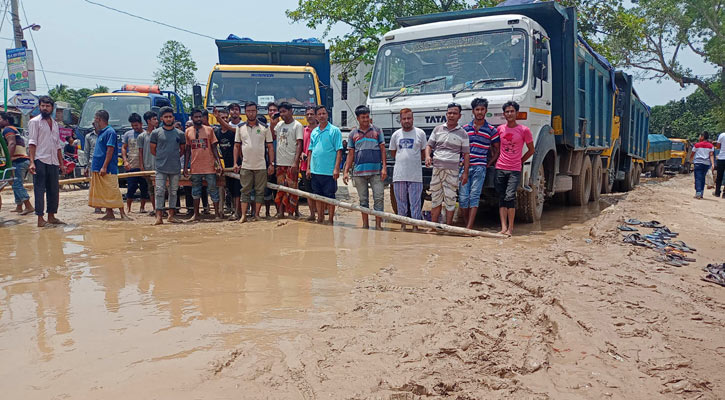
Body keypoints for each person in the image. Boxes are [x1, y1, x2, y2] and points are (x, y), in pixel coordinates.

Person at [425, 103, 469, 227]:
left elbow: (466, 154)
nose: (451, 115)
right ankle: (433, 227)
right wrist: (428, 156)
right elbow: (429, 145)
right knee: (435, 198)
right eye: (449, 113)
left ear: (459, 116)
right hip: (437, 170)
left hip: (452, 171)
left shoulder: (463, 133)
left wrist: (465, 172)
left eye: (454, 113)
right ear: (446, 114)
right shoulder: (437, 129)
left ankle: (448, 227)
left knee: (450, 199)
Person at [494, 101, 534, 235]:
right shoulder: (500, 129)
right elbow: (495, 147)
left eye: (512, 111)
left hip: (515, 170)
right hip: (500, 167)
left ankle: (511, 228)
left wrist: (521, 161)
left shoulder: (524, 130)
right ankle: (503, 227)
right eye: (507, 111)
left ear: (517, 113)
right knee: (501, 197)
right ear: (504, 114)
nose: (509, 114)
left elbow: (531, 150)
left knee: (510, 197)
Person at [459, 98, 500, 229]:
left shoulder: (491, 130)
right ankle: (467, 225)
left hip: (480, 168)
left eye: (482, 109)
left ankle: (469, 227)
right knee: (463, 198)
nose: (480, 112)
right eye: (477, 109)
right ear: (473, 111)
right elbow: (459, 148)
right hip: (464, 168)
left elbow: (497, 149)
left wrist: (489, 163)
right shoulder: (465, 129)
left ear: (486, 111)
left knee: (474, 197)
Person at [343, 105, 386, 229]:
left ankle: (378, 225)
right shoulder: (352, 134)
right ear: (358, 118)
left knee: (379, 198)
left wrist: (384, 168)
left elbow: (383, 150)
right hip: (359, 173)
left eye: (367, 117)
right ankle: (365, 225)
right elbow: (351, 154)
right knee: (363, 201)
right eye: (363, 117)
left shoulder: (377, 131)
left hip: (376, 171)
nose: (366, 120)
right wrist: (346, 171)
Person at [233, 101, 274, 223]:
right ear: (245, 112)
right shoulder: (240, 128)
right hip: (245, 165)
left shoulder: (265, 128)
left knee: (259, 191)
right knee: (245, 191)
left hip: (261, 166)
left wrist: (271, 164)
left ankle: (256, 214)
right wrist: (236, 163)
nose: (251, 113)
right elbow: (236, 146)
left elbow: (270, 147)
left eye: (253, 111)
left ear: (257, 111)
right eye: (248, 111)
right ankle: (244, 215)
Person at [27, 96, 65, 227]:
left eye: (47, 106)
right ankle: (40, 219)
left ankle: (51, 216)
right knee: (39, 189)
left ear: (52, 108)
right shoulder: (34, 122)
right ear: (39, 107)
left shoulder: (54, 124)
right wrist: (31, 162)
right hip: (40, 159)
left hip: (53, 161)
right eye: (42, 106)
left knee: (54, 190)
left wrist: (61, 163)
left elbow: (58, 145)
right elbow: (32, 143)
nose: (45, 108)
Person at [89, 110, 130, 221]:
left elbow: (110, 150)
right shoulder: (101, 132)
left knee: (113, 190)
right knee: (104, 192)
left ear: (99, 119)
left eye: (95, 118)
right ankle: (109, 212)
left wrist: (104, 166)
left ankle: (122, 213)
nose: (94, 121)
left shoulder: (110, 132)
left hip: (107, 168)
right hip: (97, 166)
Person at [389, 108, 426, 230]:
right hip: (399, 175)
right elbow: (393, 152)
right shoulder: (396, 135)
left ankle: (416, 226)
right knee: (401, 203)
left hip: (415, 176)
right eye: (404, 118)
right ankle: (403, 225)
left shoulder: (420, 133)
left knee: (415, 203)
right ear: (400, 120)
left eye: (409, 118)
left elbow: (423, 152)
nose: (407, 121)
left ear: (413, 119)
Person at [183, 108, 223, 221]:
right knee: (195, 191)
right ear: (192, 118)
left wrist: (219, 164)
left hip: (209, 166)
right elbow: (187, 150)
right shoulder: (188, 131)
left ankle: (216, 215)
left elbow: (215, 148)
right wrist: (186, 167)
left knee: (213, 190)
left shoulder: (209, 130)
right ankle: (196, 214)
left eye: (200, 116)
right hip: (195, 167)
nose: (198, 119)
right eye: (196, 117)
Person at [306, 106, 343, 224]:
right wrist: (308, 168)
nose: (321, 116)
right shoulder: (314, 132)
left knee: (330, 196)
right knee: (317, 196)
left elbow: (339, 150)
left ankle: (331, 219)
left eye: (324, 113)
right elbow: (310, 150)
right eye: (319, 114)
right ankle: (320, 218)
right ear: (316, 116)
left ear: (327, 115)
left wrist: (336, 168)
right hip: (315, 170)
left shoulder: (334, 130)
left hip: (329, 171)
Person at [150, 106, 186, 225]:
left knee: (174, 192)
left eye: (170, 116)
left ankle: (171, 216)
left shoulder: (180, 134)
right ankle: (159, 217)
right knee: (159, 191)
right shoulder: (156, 133)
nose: (168, 119)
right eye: (166, 117)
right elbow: (153, 150)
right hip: (160, 167)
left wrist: (173, 158)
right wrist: (162, 158)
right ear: (161, 118)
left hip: (175, 168)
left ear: (173, 118)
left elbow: (182, 150)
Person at [273, 102, 304, 218]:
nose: (282, 114)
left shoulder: (297, 125)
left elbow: (299, 144)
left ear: (291, 111)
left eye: (284, 111)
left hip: (291, 163)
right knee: (280, 189)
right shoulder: (279, 124)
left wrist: (296, 162)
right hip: (280, 162)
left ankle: (291, 213)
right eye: (280, 112)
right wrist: (273, 120)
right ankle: (280, 212)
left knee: (292, 190)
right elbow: (272, 134)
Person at [1, 112, 34, 215]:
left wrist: (8, 160)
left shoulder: (8, 129)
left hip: (18, 160)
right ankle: (19, 206)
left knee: (16, 183)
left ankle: (28, 206)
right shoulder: (12, 129)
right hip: (22, 160)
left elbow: (12, 143)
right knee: (13, 182)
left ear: (6, 120)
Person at [213, 107, 242, 219]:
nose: (223, 120)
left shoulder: (233, 131)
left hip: (236, 164)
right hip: (225, 165)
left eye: (225, 118)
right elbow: (214, 148)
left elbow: (238, 147)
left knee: (237, 189)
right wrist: (218, 164)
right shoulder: (217, 132)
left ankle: (237, 212)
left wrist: (238, 163)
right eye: (221, 118)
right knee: (229, 188)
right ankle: (231, 210)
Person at [122, 113, 149, 213]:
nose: (135, 127)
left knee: (144, 188)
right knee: (131, 188)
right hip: (131, 166)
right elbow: (124, 148)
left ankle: (142, 208)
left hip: (144, 167)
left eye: (136, 125)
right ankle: (128, 209)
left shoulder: (147, 134)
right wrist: (125, 161)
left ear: (141, 124)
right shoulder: (127, 134)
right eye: (133, 125)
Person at [137, 111, 158, 214]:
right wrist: (141, 165)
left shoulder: (159, 134)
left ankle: (160, 208)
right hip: (148, 164)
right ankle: (155, 208)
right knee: (150, 188)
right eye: (154, 119)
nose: (156, 121)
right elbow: (140, 152)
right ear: (148, 121)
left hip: (159, 165)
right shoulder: (142, 136)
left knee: (160, 188)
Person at [299, 106, 318, 220]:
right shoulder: (303, 130)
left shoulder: (319, 130)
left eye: (312, 114)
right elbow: (300, 146)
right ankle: (312, 214)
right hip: (304, 165)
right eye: (308, 114)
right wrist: (301, 153)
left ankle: (320, 214)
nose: (310, 116)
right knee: (308, 191)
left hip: (318, 166)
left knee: (318, 191)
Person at [265, 102, 280, 217]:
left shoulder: (283, 125)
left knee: (280, 189)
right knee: (267, 188)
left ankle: (279, 211)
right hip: (267, 162)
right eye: (270, 110)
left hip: (281, 162)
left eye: (275, 110)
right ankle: (267, 212)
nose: (272, 112)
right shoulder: (264, 127)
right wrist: (271, 124)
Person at [691, 131, 715, 199]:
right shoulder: (711, 146)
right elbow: (711, 155)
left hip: (698, 163)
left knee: (698, 178)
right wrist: (712, 164)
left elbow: (692, 154)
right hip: (706, 164)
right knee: (702, 177)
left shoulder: (697, 145)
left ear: (702, 137)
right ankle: (701, 193)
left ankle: (698, 192)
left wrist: (690, 161)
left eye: (700, 136)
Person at [714, 131, 725, 198]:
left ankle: (717, 192)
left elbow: (718, 147)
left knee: (719, 176)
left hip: (722, 158)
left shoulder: (722, 135)